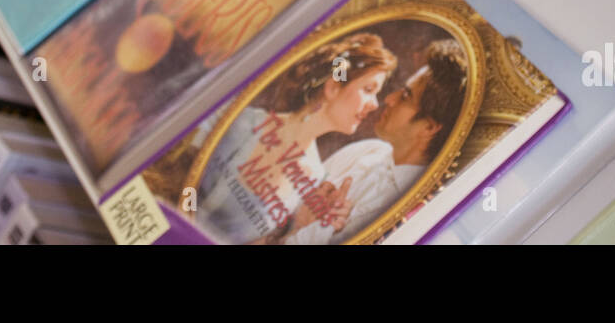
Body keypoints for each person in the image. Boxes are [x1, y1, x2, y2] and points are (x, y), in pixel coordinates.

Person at [192, 33, 397, 245]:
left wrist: (300, 228)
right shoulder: (245, 123)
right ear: (334, 86)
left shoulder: (313, 177)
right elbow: (181, 177)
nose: (374, 104)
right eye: (369, 89)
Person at [283, 37, 469, 244]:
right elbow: (284, 212)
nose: (388, 100)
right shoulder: (366, 151)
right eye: (368, 90)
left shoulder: (412, 216)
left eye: (406, 96)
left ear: (429, 127)